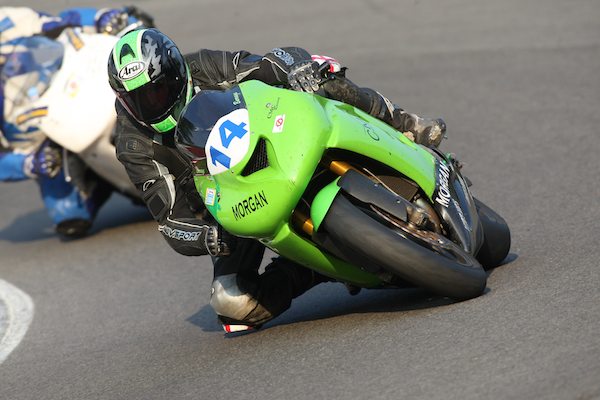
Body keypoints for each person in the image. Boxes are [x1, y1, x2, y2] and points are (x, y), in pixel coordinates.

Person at [107, 28, 447, 332]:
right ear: (123, 99)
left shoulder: (204, 67)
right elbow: (170, 222)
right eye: (139, 100)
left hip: (272, 143)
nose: (153, 104)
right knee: (231, 302)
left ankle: (405, 122)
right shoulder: (134, 145)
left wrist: (296, 69)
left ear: (177, 72)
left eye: (158, 91)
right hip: (232, 208)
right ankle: (313, 268)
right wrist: (210, 237)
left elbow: (271, 61)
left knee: (320, 77)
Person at [0, 6, 153, 237]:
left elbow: (59, 22)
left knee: (134, 27)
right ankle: (106, 182)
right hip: (41, 135)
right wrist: (27, 163)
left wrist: (101, 19)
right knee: (69, 215)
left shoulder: (6, 20)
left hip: (60, 74)